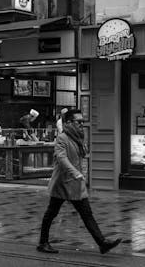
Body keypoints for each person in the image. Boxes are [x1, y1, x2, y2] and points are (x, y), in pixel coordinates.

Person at [37, 109, 121, 255]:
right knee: (51, 213)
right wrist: (75, 172)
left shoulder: (78, 137)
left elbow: (81, 156)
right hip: (62, 183)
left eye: (83, 121)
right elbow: (61, 159)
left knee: (87, 213)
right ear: (69, 123)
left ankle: (102, 243)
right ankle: (43, 242)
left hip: (75, 184)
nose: (82, 124)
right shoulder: (62, 138)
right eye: (79, 122)